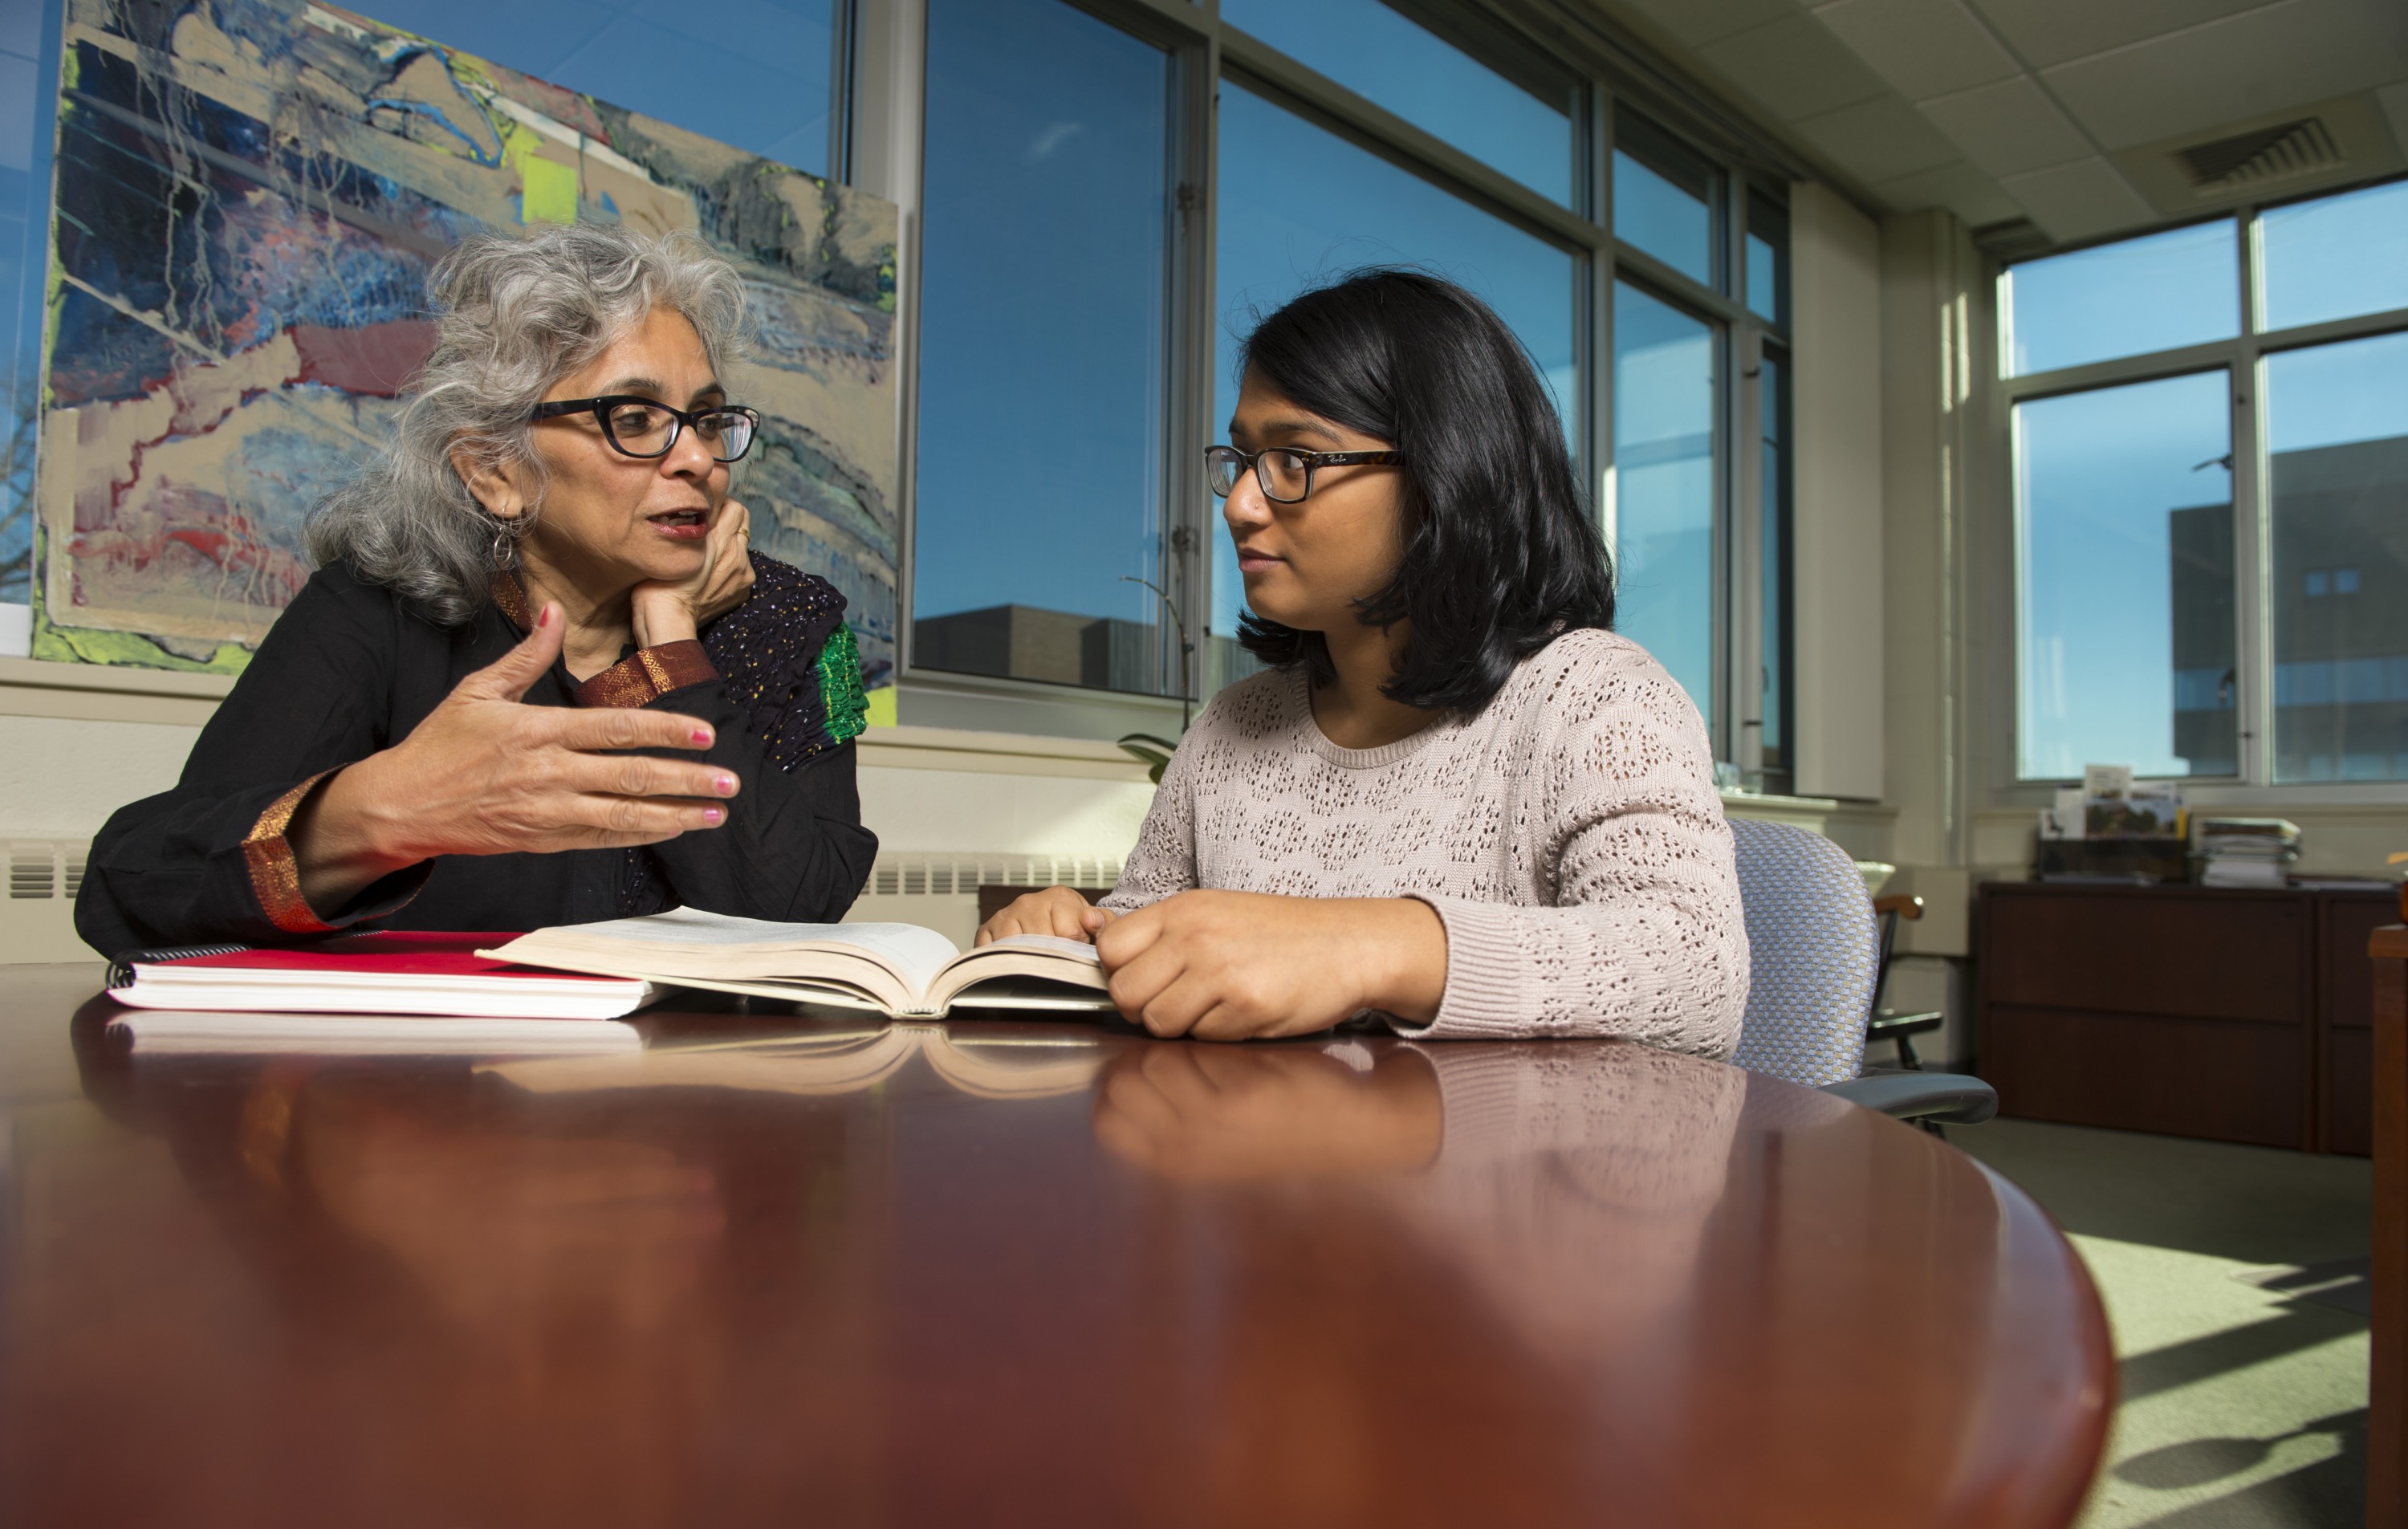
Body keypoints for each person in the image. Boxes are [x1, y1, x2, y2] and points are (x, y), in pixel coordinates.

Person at [979, 270, 1747, 1055]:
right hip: (1255, 1161)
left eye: (1293, 459)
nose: (1240, 503)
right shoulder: (1231, 728)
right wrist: (1071, 936)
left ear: (1443, 475)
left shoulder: (1594, 698)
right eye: (1242, 459)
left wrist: (1367, 946)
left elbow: (1696, 974)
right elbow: (1150, 940)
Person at [77, 226, 877, 956]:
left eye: (707, 419)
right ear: (494, 472)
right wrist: (380, 810)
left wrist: (669, 646)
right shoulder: (374, 605)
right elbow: (128, 887)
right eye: (634, 417)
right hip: (433, 1093)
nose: (698, 458)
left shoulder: (808, 623)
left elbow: (802, 906)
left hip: (701, 1091)